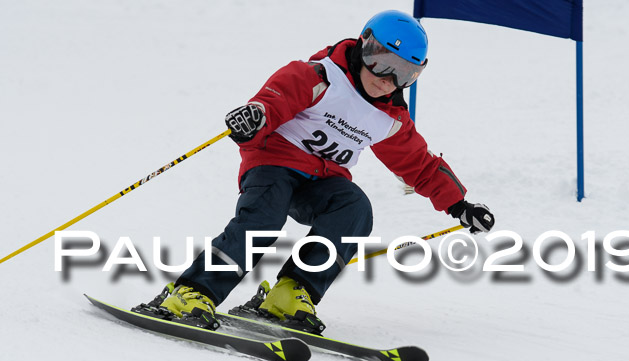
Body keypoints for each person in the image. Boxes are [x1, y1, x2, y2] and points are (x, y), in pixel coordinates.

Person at [157, 10, 495, 333]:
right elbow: (274, 101)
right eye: (381, 64)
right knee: (264, 217)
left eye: (404, 74)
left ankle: (289, 293)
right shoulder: (318, 76)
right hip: (274, 162)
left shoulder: (390, 118)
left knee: (354, 209)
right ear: (365, 44)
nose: (387, 81)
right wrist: (254, 118)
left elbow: (419, 164)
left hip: (324, 181)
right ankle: (192, 292)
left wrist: (459, 205)